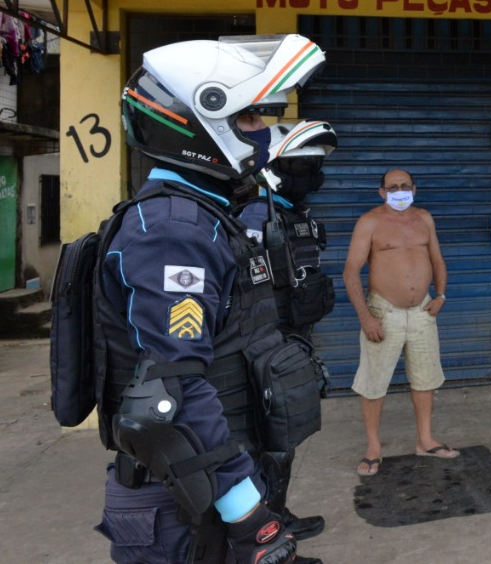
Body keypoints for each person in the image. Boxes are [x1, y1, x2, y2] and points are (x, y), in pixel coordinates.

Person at [93, 35, 326, 564]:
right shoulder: (173, 233)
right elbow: (169, 393)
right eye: (250, 119)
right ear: (202, 123)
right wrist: (250, 517)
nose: (264, 132)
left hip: (209, 480)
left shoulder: (200, 218)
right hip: (189, 502)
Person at [236, 120, 337, 541]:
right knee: (270, 437)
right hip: (264, 344)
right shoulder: (256, 215)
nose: (311, 174)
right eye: (301, 164)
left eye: (315, 164)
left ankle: (273, 517)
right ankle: (262, 526)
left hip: (293, 340)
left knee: (284, 433)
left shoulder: (295, 214)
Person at [342, 168, 460, 478]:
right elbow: (350, 271)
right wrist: (366, 317)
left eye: (404, 186)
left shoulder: (424, 219)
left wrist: (442, 295)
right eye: (392, 187)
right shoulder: (370, 222)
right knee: (373, 383)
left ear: (414, 189)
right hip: (383, 312)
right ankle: (373, 449)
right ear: (381, 192)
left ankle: (425, 439)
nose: (399, 190)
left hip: (423, 311)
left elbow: (438, 260)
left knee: (425, 379)